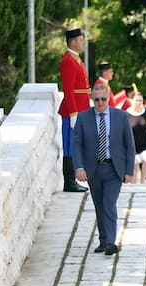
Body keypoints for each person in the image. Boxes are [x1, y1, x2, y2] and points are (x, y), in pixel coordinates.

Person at [72, 83, 136, 256]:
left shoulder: (120, 116)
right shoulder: (84, 117)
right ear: (92, 99)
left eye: (103, 99)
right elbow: (76, 144)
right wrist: (79, 167)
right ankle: (103, 241)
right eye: (97, 99)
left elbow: (129, 145)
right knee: (99, 206)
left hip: (114, 169)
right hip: (93, 169)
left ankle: (110, 242)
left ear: (108, 98)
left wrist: (129, 170)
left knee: (109, 204)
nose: (100, 103)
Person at [57, 28, 89, 193]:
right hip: (72, 112)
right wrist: (73, 113)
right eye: (81, 40)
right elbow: (68, 90)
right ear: (74, 41)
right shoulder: (68, 61)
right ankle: (69, 181)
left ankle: (74, 180)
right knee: (69, 146)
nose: (83, 43)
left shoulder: (76, 59)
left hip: (80, 110)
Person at [126, 92, 146, 183]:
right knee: (134, 175)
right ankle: (134, 188)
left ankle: (143, 179)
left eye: (140, 101)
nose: (138, 102)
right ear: (132, 101)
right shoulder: (126, 113)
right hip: (131, 146)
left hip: (145, 144)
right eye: (136, 100)